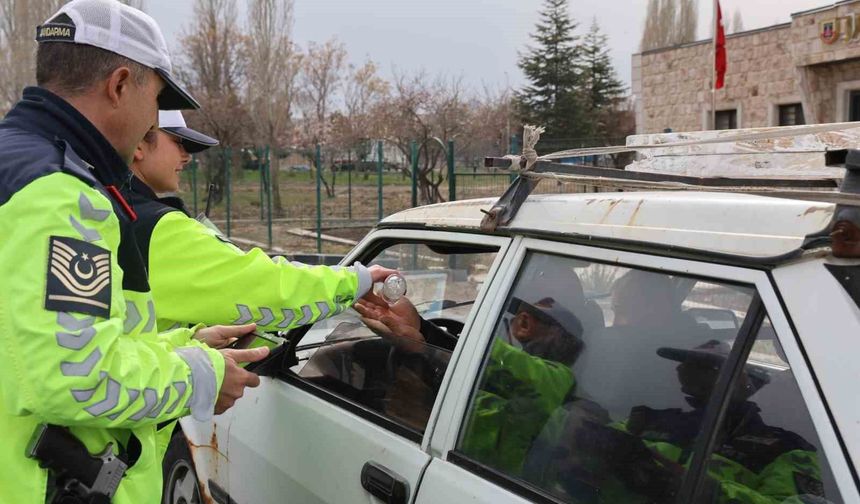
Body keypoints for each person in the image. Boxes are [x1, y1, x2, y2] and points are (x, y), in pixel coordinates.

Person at [0, 1, 266, 502]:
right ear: (120, 85)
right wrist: (201, 375)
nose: (154, 122)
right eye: (158, 98)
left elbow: (36, 343)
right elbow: (78, 378)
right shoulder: (60, 195)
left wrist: (179, 345)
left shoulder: (15, 163)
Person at [127, 110, 393, 333]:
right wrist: (355, 281)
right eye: (177, 142)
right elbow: (264, 286)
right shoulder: (157, 228)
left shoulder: (114, 210)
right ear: (139, 143)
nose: (186, 156)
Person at [354, 272, 587, 475]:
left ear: (524, 324)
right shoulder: (564, 394)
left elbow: (500, 369)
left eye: (511, 316)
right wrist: (424, 340)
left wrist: (428, 342)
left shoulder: (556, 383)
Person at [543, 340, 827, 503]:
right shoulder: (655, 421)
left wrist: (700, 490)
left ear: (740, 379)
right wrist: (581, 430)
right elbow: (596, 450)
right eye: (685, 364)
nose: (684, 370)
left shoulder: (785, 448)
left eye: (705, 367)